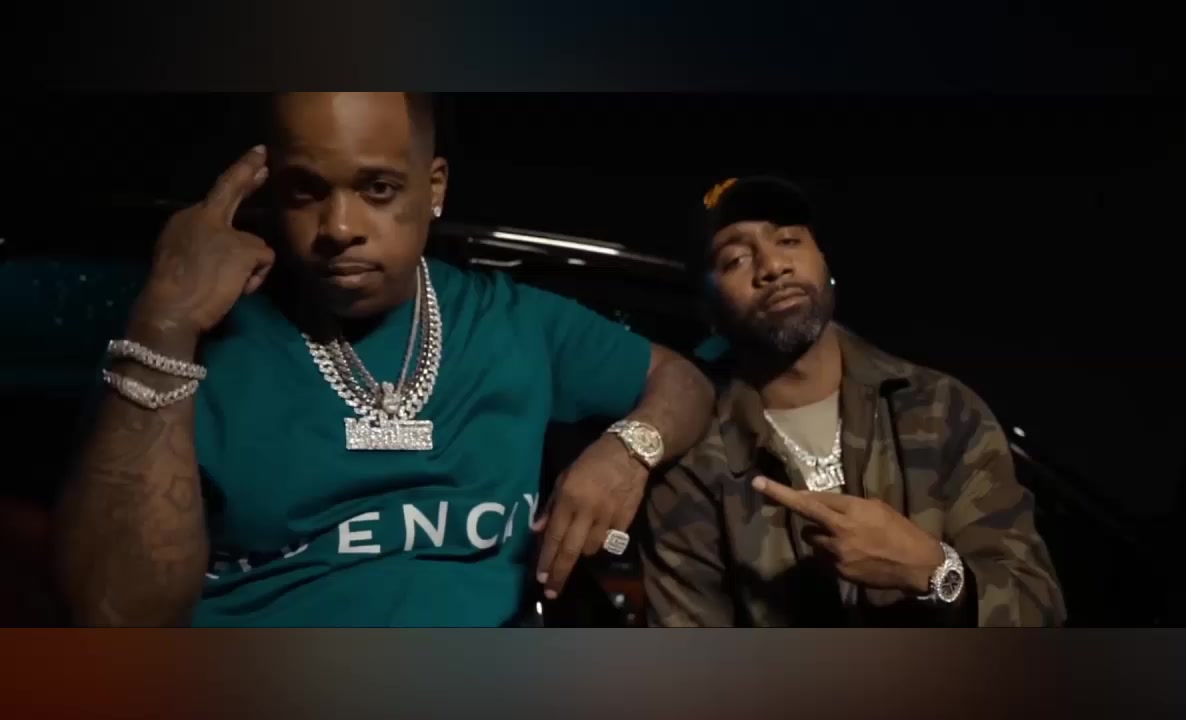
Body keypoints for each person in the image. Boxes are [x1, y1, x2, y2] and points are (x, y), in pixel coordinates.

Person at [54, 92, 715, 627]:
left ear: (434, 188)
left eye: (377, 188)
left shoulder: (514, 322)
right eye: (305, 191)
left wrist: (628, 451)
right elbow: (117, 622)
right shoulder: (198, 338)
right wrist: (165, 322)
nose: (340, 228)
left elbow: (683, 383)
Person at [641, 176, 1066, 627]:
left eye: (789, 240)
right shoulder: (693, 463)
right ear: (708, 307)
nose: (773, 266)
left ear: (823, 260)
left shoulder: (940, 410)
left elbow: (1037, 608)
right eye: (736, 260)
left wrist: (934, 571)